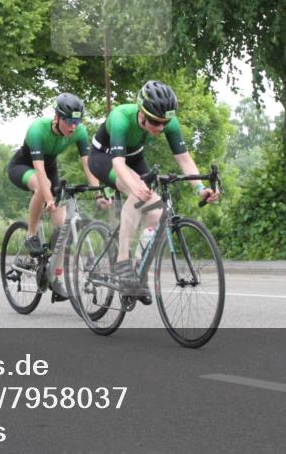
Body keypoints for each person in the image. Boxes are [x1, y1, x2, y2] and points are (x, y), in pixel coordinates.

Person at [87, 81, 218, 304]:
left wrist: (200, 188)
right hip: (105, 158)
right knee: (138, 191)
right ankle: (122, 262)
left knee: (158, 213)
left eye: (164, 123)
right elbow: (119, 163)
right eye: (156, 122)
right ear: (142, 113)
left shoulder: (168, 121)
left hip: (135, 157)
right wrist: (135, 184)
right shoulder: (120, 117)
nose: (160, 127)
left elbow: (184, 159)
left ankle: (138, 269)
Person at [6, 93, 110, 300]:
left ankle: (56, 277)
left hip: (50, 168)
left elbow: (88, 165)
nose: (73, 126)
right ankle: (31, 234)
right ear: (57, 117)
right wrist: (49, 198)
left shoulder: (79, 132)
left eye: (77, 121)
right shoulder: (37, 129)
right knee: (41, 185)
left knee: (61, 228)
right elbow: (39, 170)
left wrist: (98, 191)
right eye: (69, 121)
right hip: (23, 167)